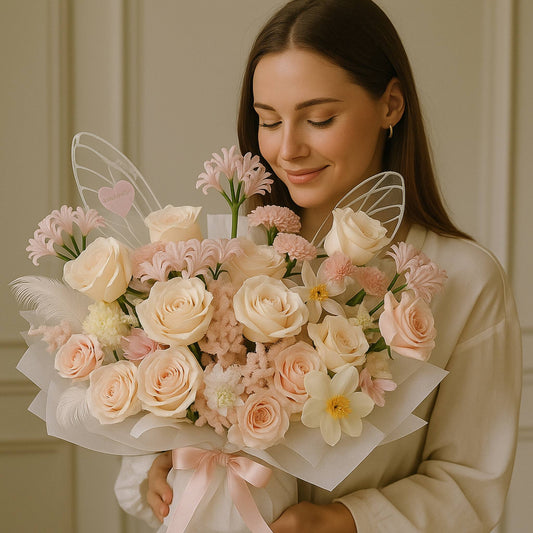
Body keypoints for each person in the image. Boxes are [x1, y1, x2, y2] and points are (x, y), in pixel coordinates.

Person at [114, 1, 522, 531]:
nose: (288, 149)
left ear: (390, 104)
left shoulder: (464, 279)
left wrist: (347, 521)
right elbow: (155, 431)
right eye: (268, 120)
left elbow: (471, 482)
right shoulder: (221, 258)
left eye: (319, 119)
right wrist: (159, 466)